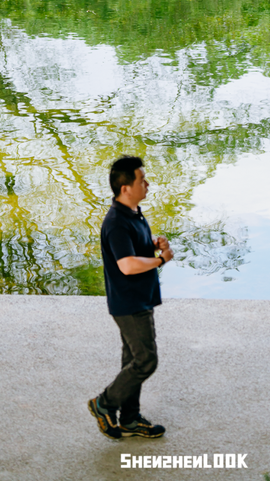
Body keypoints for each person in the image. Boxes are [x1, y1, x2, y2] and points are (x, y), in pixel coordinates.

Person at [88, 156, 174, 441]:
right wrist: (160, 260)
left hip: (141, 298)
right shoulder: (116, 222)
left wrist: (152, 244)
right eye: (141, 180)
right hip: (129, 304)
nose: (147, 184)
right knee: (146, 361)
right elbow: (126, 265)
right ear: (126, 187)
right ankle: (104, 404)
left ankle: (130, 419)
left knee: (132, 361)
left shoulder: (133, 214)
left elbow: (132, 250)